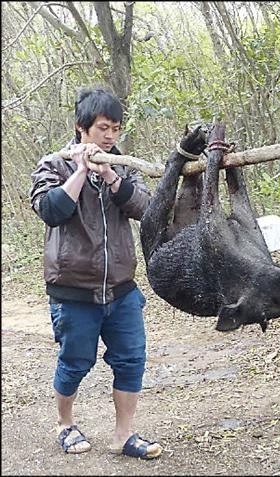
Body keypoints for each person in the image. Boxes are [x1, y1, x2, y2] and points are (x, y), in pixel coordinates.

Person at [30, 87, 162, 459]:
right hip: (73, 292)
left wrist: (111, 176)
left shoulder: (121, 165)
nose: (109, 136)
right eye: (103, 128)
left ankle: (123, 435)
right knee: (75, 363)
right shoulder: (53, 165)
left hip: (122, 289)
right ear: (81, 128)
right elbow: (51, 210)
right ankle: (65, 424)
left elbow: (147, 210)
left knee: (131, 359)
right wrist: (81, 171)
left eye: (115, 129)